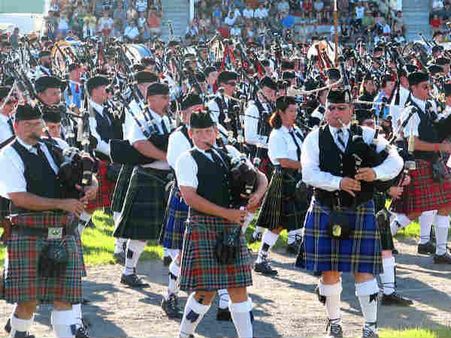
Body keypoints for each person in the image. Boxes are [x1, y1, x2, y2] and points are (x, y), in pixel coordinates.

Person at [301, 89, 403, 338]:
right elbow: (309, 173)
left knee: (364, 271)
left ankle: (370, 328)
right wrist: (340, 182)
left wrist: (375, 174)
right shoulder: (314, 138)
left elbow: (396, 160)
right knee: (329, 271)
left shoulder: (368, 135)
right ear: (325, 110)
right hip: (326, 207)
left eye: (341, 108)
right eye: (331, 108)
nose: (335, 113)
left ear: (351, 110)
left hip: (359, 208)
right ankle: (335, 323)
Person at [0, 104, 97, 338]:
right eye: (28, 125)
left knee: (65, 299)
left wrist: (92, 184)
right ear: (16, 126)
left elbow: (83, 170)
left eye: (37, 124)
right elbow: (19, 197)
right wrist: (61, 204)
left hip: (63, 231)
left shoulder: (55, 146)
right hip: (29, 232)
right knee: (28, 302)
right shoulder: (7, 155)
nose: (34, 129)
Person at [176, 110, 267, 338]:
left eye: (209, 131)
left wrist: (257, 194)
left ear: (216, 131)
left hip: (231, 228)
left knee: (239, 288)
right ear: (191, 134)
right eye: (199, 132)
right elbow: (190, 197)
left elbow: (261, 177)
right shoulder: (187, 158)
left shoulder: (229, 152)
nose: (205, 136)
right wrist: (226, 213)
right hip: (204, 225)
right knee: (205, 292)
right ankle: (184, 334)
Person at [114, 82, 173, 287]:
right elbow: (139, 145)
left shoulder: (167, 120)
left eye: (168, 97)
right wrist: (166, 157)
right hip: (148, 175)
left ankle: (177, 271)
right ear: (151, 99)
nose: (168, 101)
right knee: (141, 232)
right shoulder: (139, 120)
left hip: (166, 178)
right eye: (164, 98)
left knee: (171, 228)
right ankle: (128, 271)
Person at [390, 71, 451, 264]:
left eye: (429, 87)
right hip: (418, 164)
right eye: (424, 87)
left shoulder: (428, 107)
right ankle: (381, 238)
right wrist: (440, 147)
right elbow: (412, 143)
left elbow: (436, 129)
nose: (428, 90)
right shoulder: (410, 111)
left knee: (445, 205)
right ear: (412, 88)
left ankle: (441, 252)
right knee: (414, 211)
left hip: (433, 162)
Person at [254, 96, 308, 275]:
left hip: (299, 179)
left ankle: (306, 254)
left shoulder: (296, 130)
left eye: (296, 110)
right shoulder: (277, 134)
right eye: (291, 111)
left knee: (304, 218)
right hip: (284, 179)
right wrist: (306, 166)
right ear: (281, 113)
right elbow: (284, 161)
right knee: (277, 224)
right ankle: (261, 258)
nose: (295, 114)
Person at [160, 93, 202, 319]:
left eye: (201, 109)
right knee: (185, 253)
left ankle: (222, 299)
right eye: (194, 110)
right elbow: (180, 167)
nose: (199, 114)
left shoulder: (212, 133)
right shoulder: (178, 137)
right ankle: (170, 295)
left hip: (209, 197)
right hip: (188, 196)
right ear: (183, 114)